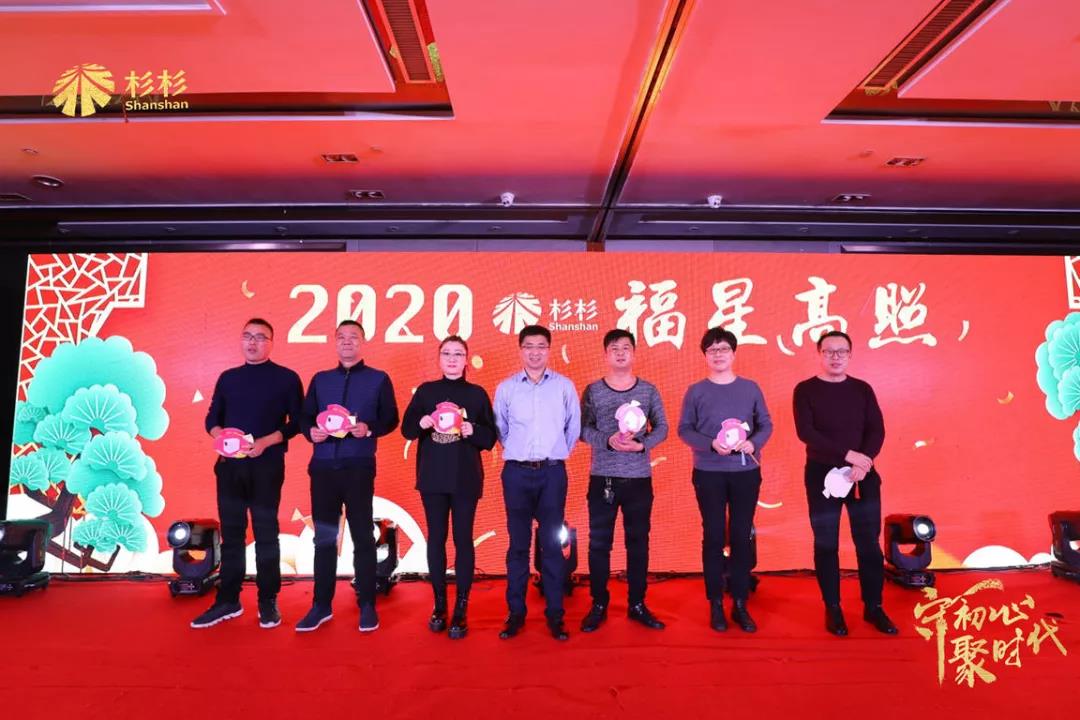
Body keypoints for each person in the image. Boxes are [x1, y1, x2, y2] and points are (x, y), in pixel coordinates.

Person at [193, 318, 303, 630]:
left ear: (271, 343)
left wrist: (265, 442)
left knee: (266, 534)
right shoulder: (228, 378)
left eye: (260, 337)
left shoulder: (286, 378)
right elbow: (212, 418)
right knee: (232, 535)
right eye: (247, 336)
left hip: (266, 466)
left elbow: (297, 423)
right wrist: (222, 436)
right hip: (230, 467)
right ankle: (228, 599)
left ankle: (268, 600)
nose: (253, 342)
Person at [295, 320, 399, 633]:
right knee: (324, 538)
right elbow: (305, 418)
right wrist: (310, 432)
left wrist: (369, 428)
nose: (347, 342)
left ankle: (367, 604)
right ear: (335, 342)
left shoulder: (378, 379)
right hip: (323, 469)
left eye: (353, 337)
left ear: (363, 342)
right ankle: (321, 605)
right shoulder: (320, 379)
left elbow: (391, 418)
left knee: (363, 537)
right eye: (341, 337)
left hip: (358, 467)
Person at [793, 330, 897, 637]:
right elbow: (806, 432)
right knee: (826, 543)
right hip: (822, 475)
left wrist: (863, 462)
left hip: (862, 476)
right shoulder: (805, 390)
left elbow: (877, 430)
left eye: (842, 351)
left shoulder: (862, 389)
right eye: (829, 351)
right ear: (819, 354)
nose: (835, 357)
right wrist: (848, 455)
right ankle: (833, 608)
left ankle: (873, 606)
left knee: (868, 544)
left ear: (850, 355)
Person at [678, 327, 772, 633]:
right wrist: (710, 444)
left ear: (733, 353)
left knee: (742, 535)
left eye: (723, 349)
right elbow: (684, 429)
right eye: (712, 350)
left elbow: (766, 424)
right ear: (705, 355)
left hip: (745, 473)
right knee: (714, 535)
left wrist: (754, 443)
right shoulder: (696, 391)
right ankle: (716, 602)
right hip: (709, 472)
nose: (718, 354)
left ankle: (740, 603)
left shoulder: (750, 388)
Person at [401, 335, 496, 639]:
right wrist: (422, 423)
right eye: (446, 353)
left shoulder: (477, 394)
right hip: (432, 478)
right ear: (439, 358)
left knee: (463, 540)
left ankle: (461, 608)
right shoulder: (426, 392)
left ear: (466, 360)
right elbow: (406, 430)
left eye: (458, 354)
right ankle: (440, 604)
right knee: (436, 539)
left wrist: (473, 429)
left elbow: (490, 438)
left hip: (465, 478)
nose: (452, 359)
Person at [493, 325, 580, 641]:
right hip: (516, 473)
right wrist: (520, 454)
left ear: (549, 350)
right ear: (520, 350)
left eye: (541, 346)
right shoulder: (506, 389)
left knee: (552, 546)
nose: (535, 352)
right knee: (517, 545)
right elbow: (501, 429)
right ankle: (515, 613)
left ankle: (555, 615)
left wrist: (552, 455)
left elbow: (573, 428)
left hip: (552, 473)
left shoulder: (564, 387)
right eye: (529, 346)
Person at [578, 329, 668, 633]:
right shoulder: (593, 391)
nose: (620, 353)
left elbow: (662, 427)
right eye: (614, 348)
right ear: (606, 354)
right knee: (599, 544)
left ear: (634, 353)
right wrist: (608, 440)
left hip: (638, 479)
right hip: (602, 478)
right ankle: (598, 604)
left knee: (638, 543)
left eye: (626, 348)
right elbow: (582, 430)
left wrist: (642, 445)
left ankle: (637, 604)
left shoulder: (648, 390)